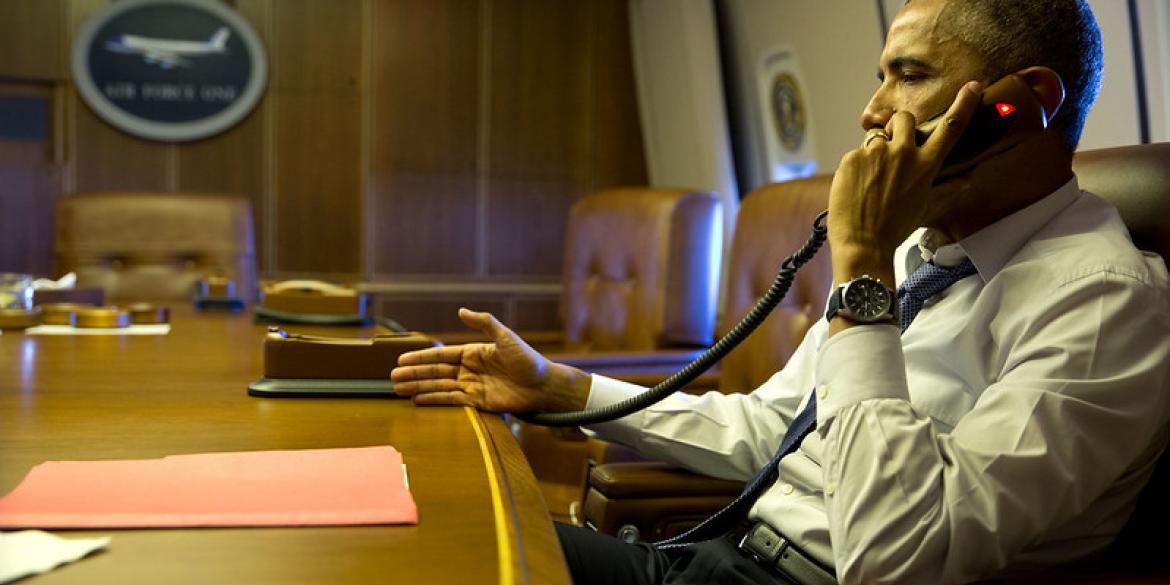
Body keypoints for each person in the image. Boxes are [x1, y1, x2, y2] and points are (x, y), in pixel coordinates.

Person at [390, 0, 1170, 583]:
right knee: (433, 539)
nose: (872, 111)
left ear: (1023, 104)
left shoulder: (1103, 302)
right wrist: (559, 387)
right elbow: (778, 425)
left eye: (910, 75)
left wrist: (862, 267)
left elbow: (895, 555)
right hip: (711, 559)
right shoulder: (924, 251)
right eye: (881, 77)